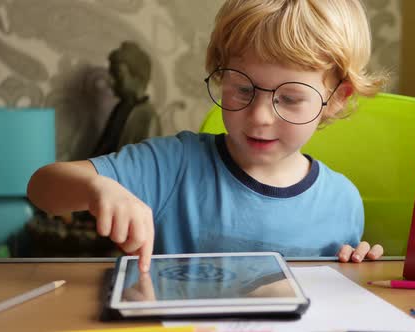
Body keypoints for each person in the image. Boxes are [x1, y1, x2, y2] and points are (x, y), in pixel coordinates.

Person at [27, 0, 385, 273]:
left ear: (336, 99)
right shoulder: (173, 165)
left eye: (288, 98)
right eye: (242, 90)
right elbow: (43, 187)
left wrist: (357, 266)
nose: (259, 117)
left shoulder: (344, 202)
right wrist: (97, 188)